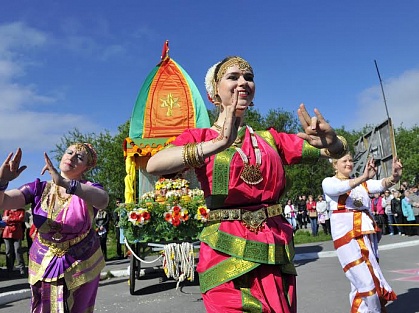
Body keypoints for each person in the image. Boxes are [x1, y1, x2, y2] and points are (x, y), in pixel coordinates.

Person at [146, 55, 348, 313]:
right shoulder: (201, 137)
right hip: (223, 250)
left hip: (274, 249)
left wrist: (332, 142)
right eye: (233, 77)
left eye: (248, 78)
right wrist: (217, 144)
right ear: (214, 92)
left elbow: (336, 153)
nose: (243, 82)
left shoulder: (270, 139)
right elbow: (154, 165)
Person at [0, 143, 109, 312]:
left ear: (85, 167)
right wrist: (2, 181)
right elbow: (5, 201)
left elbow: (103, 200)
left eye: (79, 157)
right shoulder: (39, 188)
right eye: (69, 152)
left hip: (82, 260)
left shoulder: (89, 189)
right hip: (44, 258)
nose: (71, 157)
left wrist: (65, 183)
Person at [322, 153, 402, 312]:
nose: (349, 163)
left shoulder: (362, 184)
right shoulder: (329, 182)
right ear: (334, 164)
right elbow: (341, 188)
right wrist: (364, 177)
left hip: (367, 236)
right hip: (347, 238)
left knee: (362, 283)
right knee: (368, 284)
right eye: (344, 161)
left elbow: (382, 184)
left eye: (351, 160)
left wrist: (394, 176)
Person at [2, 207, 26, 275]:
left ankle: (22, 268)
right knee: (8, 250)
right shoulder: (7, 209)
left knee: (18, 250)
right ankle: (9, 268)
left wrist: (9, 218)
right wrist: (14, 220)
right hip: (7, 232)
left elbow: (20, 219)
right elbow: (4, 220)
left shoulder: (21, 210)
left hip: (17, 232)